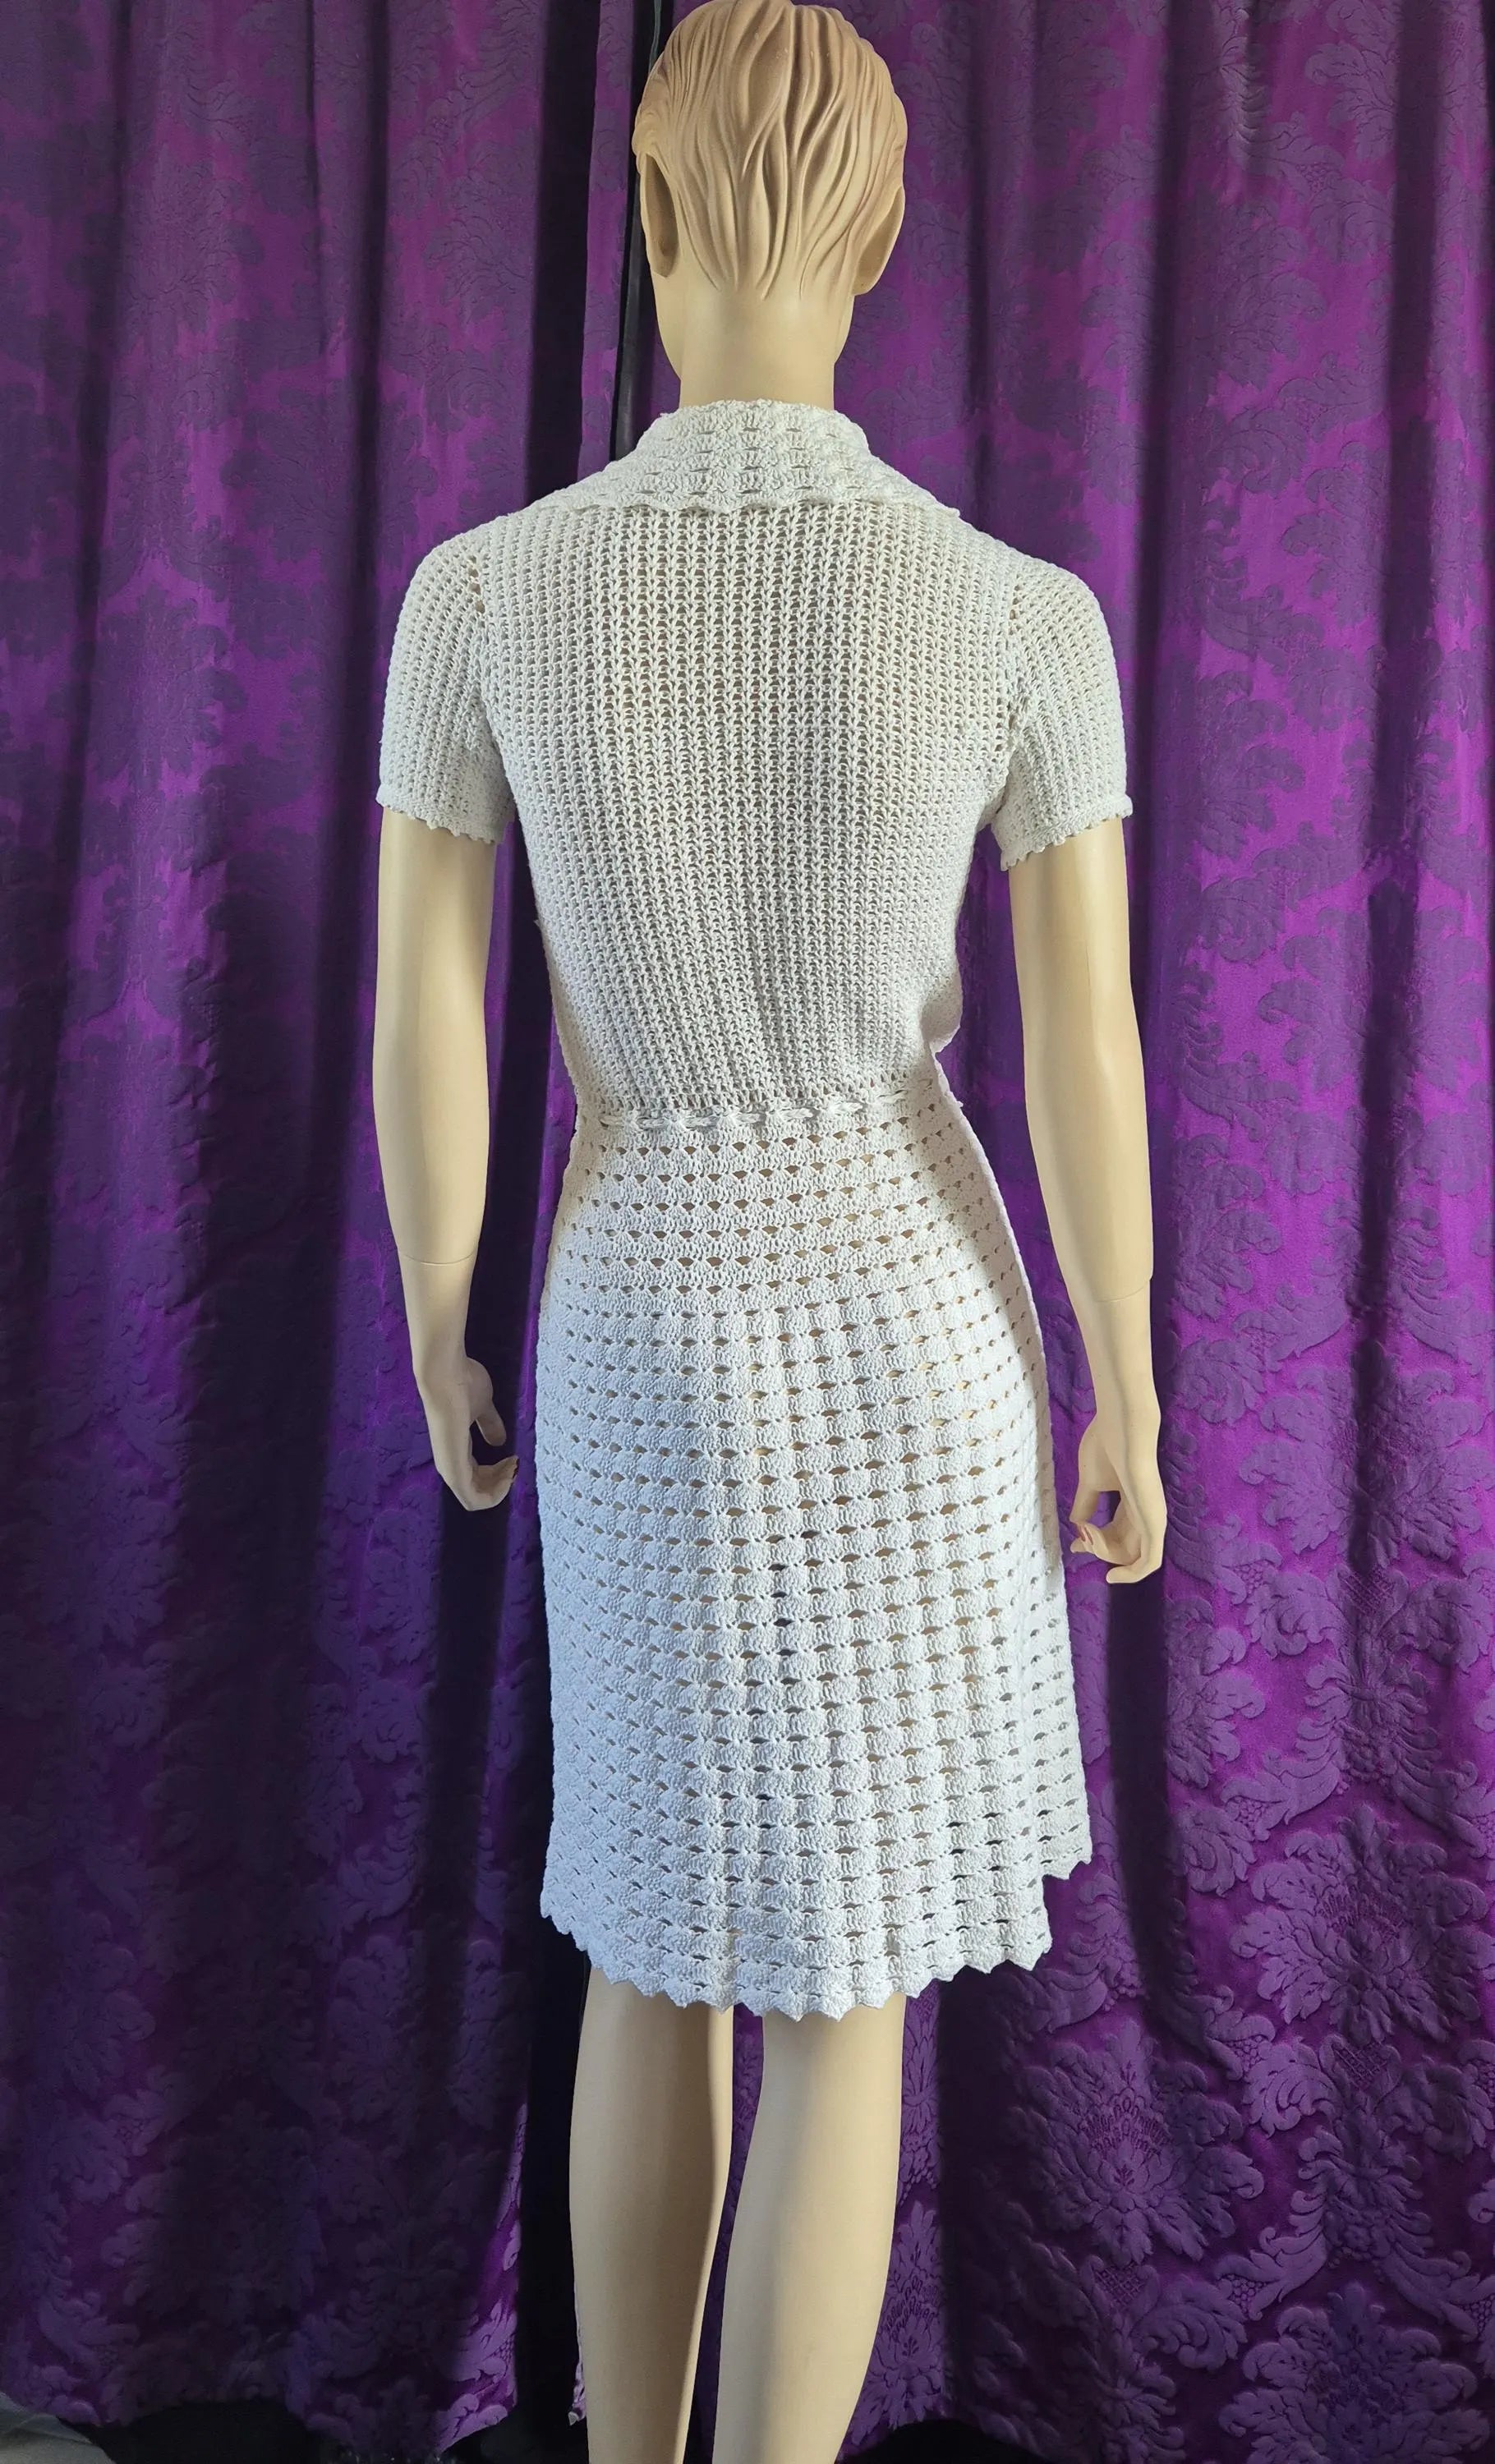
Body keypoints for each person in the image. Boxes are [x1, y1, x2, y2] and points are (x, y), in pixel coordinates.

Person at [371, 7, 1166, 2463]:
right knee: (839, 1989)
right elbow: (1091, 1047)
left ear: (646, 210)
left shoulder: (485, 594)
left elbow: (424, 1005)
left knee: (648, 1933)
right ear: (881, 231)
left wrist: (441, 1315)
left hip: (631, 1313)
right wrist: (1127, 1380)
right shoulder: (1016, 612)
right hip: (912, 1315)